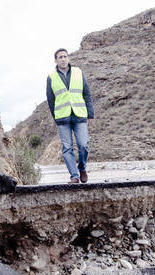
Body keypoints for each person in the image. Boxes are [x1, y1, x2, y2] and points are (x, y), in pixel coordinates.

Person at [46, 48, 94, 183]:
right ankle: (74, 176)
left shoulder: (79, 73)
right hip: (63, 118)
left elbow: (87, 94)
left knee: (83, 145)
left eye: (65, 56)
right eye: (60, 57)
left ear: (68, 58)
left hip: (79, 115)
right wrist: (56, 117)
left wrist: (90, 114)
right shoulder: (51, 77)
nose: (63, 59)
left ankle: (82, 167)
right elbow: (51, 100)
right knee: (67, 148)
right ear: (55, 60)